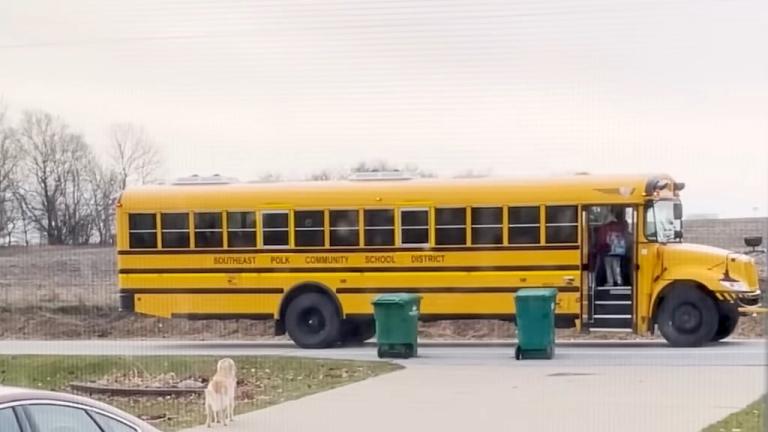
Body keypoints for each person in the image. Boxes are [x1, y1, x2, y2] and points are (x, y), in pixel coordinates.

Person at [596, 207, 629, 286]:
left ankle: (610, 282)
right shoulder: (619, 227)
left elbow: (602, 240)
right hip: (618, 251)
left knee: (608, 267)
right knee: (617, 266)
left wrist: (598, 249)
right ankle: (619, 281)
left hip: (607, 250)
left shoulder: (605, 227)